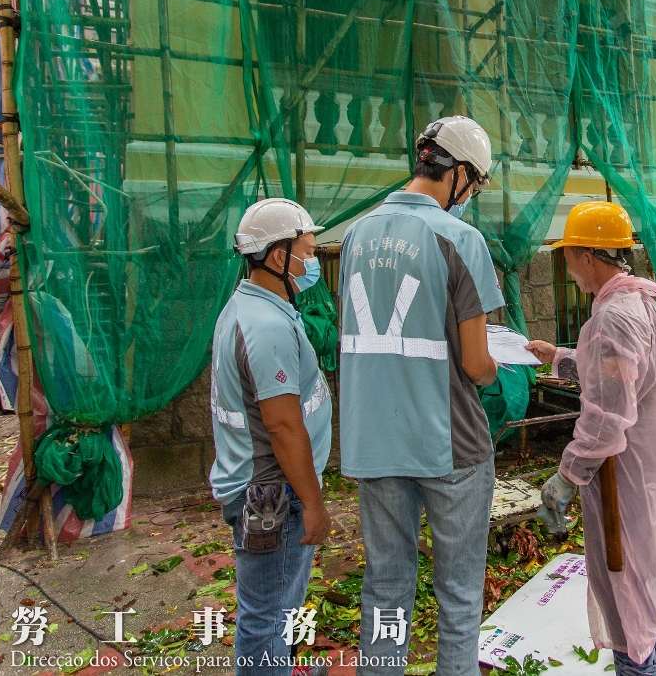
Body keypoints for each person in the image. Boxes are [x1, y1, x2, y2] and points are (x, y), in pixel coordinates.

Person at [339, 115, 503, 675]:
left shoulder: (356, 235)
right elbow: (477, 365)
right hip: (448, 442)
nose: (472, 196)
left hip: (376, 441)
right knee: (459, 593)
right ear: (458, 173)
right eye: (475, 184)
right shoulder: (460, 239)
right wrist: (499, 367)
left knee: (385, 589)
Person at [526, 201, 656, 676]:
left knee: (625, 588)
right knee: (646, 579)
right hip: (649, 464)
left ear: (587, 255)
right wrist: (559, 356)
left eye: (568, 255)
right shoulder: (641, 305)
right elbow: (618, 373)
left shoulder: (612, 317)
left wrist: (567, 476)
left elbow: (606, 418)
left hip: (622, 477)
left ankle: (641, 666)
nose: (567, 267)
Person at [209, 198, 333, 676]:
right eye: (309, 252)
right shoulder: (266, 326)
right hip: (273, 495)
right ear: (279, 256)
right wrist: (314, 503)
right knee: (267, 614)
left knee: (280, 603)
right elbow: (282, 426)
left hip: (263, 485)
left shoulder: (251, 307)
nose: (313, 262)